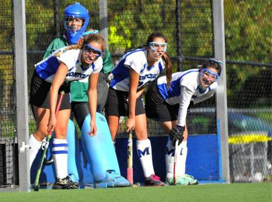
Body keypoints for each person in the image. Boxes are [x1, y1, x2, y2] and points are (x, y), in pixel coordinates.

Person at [29, 31, 105, 189]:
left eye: (96, 53)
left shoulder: (97, 64)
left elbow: (92, 90)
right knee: (43, 130)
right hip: (43, 82)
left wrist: (92, 119)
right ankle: (22, 173)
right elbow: (54, 87)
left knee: (61, 131)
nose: (91, 55)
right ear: (83, 47)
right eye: (89, 50)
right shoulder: (70, 57)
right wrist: (52, 117)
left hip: (63, 85)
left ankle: (61, 178)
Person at [105, 32, 172, 186]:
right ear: (148, 47)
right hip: (115, 91)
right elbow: (132, 86)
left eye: (162, 46)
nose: (159, 50)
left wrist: (134, 99)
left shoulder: (160, 64)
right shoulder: (137, 59)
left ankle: (150, 176)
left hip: (134, 94)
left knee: (142, 133)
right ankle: (110, 174)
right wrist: (131, 117)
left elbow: (143, 85)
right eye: (155, 46)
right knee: (112, 134)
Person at [145, 58, 222, 185]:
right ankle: (171, 176)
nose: (208, 78)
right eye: (206, 73)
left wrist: (194, 102)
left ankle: (179, 175)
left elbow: (200, 97)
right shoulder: (190, 81)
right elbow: (184, 105)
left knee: (183, 135)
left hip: (173, 102)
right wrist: (179, 126)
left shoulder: (213, 87)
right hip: (157, 96)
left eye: (213, 76)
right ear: (200, 71)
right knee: (176, 134)